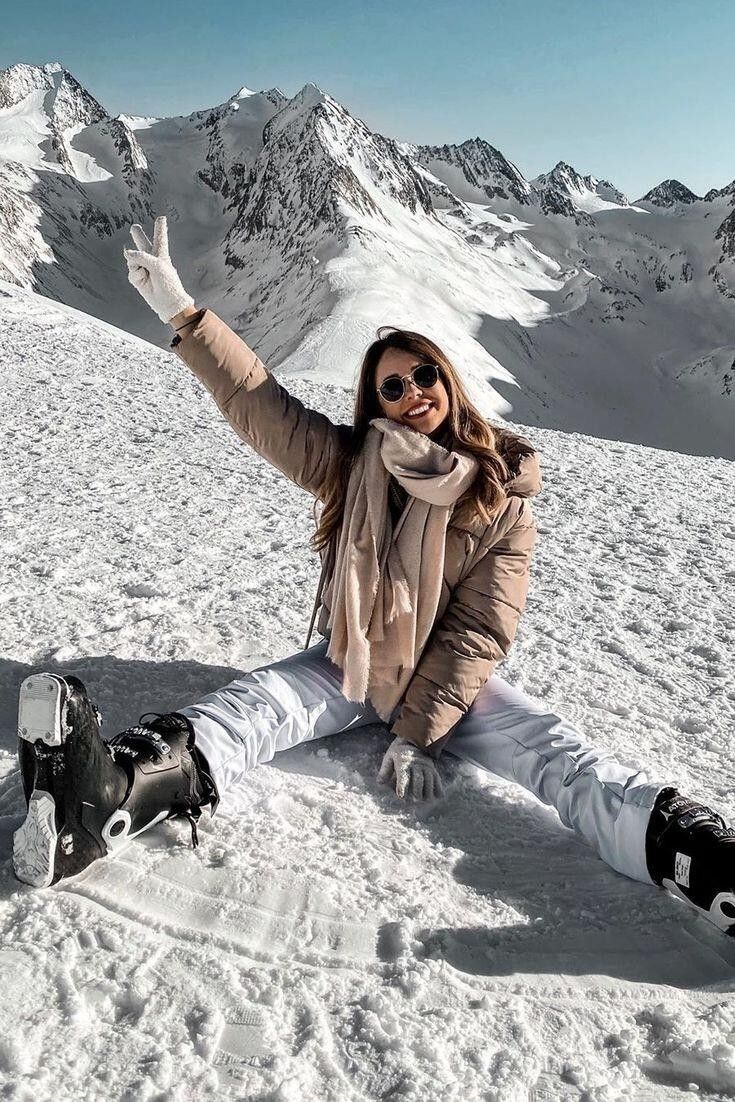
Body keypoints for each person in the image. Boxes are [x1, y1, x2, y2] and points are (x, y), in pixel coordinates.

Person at [12, 217, 735, 937]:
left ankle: (702, 862)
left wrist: (418, 733)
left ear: (447, 382)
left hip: (449, 684)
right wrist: (184, 313)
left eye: (423, 375)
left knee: (558, 756)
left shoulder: (500, 498)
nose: (412, 391)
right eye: (393, 385)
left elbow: (479, 630)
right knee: (249, 709)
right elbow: (260, 402)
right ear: (378, 403)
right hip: (351, 660)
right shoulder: (354, 466)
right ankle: (106, 799)